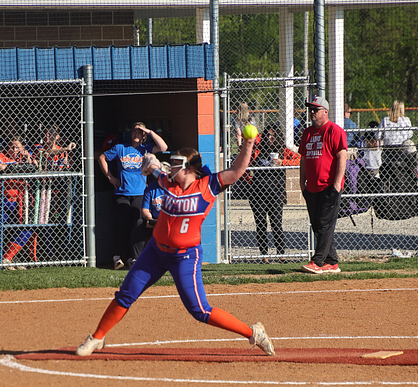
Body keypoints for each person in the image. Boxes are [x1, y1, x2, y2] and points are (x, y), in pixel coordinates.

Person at [75, 140, 275, 358]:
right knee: (126, 294)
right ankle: (97, 337)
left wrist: (248, 143)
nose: (171, 167)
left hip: (185, 257)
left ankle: (253, 333)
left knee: (200, 310)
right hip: (155, 252)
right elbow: (155, 169)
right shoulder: (167, 182)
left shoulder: (207, 186)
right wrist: (150, 162)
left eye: (176, 164)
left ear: (189, 168)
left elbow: (237, 171)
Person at [98, 122, 168, 269]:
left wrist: (149, 131)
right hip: (122, 193)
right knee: (121, 225)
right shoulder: (121, 148)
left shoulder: (146, 149)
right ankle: (118, 257)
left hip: (140, 193)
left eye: (139, 132)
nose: (136, 134)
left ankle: (134, 258)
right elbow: (102, 158)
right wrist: (110, 177)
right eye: (134, 132)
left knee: (138, 225)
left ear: (143, 136)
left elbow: (163, 147)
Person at [299, 96, 348, 274]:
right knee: (317, 225)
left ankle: (318, 261)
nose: (312, 112)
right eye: (310, 109)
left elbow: (342, 157)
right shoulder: (307, 133)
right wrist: (301, 182)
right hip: (311, 187)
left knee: (324, 223)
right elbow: (303, 159)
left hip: (329, 186)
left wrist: (337, 184)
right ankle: (332, 261)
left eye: (315, 109)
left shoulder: (335, 130)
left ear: (325, 112)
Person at [247, 125, 300, 262]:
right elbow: (245, 165)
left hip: (276, 194)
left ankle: (281, 254)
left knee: (276, 224)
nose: (269, 138)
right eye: (268, 135)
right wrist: (249, 179)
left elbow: (299, 160)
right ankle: (264, 255)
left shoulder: (283, 151)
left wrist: (283, 162)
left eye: (273, 135)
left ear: (277, 137)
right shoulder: (258, 150)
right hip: (258, 194)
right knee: (261, 225)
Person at [0, 136, 38, 269]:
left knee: (28, 227)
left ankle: (7, 259)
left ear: (22, 148)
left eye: (17, 147)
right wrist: (13, 166)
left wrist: (28, 157)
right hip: (3, 200)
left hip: (21, 202)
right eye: (12, 146)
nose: (14, 149)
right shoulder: (0, 155)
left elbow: (36, 167)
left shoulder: (25, 158)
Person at [376, 100, 418, 177]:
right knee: (410, 144)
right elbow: (410, 134)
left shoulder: (385, 120)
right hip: (402, 150)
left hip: (389, 150)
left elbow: (378, 136)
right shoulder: (405, 120)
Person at [129, 177, 165, 266]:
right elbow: (144, 210)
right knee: (139, 223)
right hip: (155, 220)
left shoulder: (176, 188)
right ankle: (136, 259)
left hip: (170, 222)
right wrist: (149, 219)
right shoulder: (151, 188)